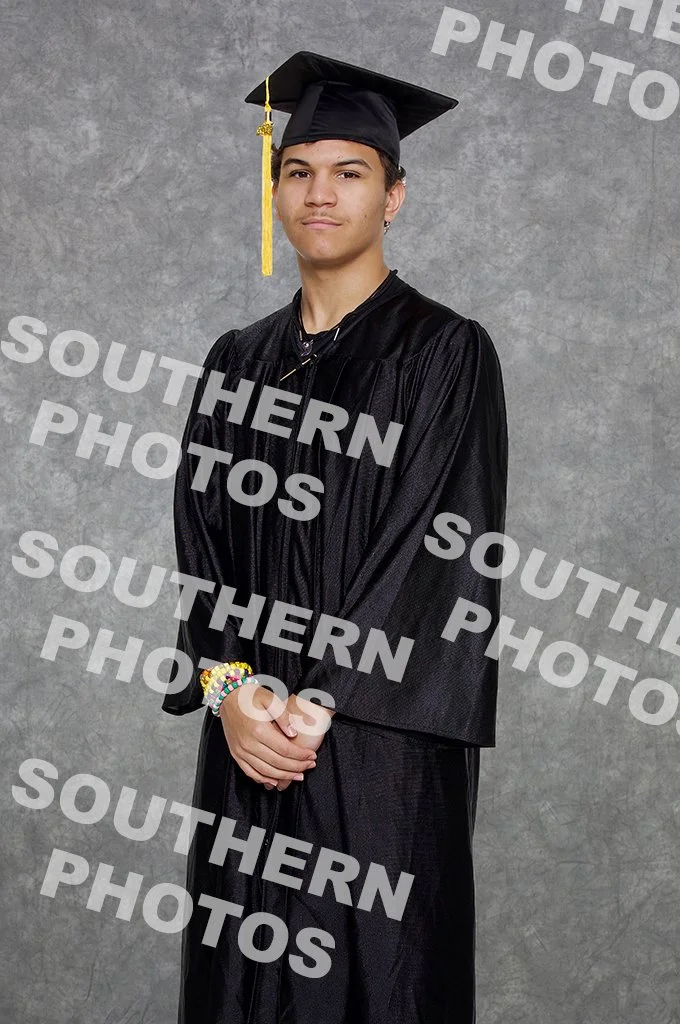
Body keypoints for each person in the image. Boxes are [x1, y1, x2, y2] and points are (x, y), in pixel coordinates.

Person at [162, 50, 508, 1024]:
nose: (320, 192)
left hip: (374, 747)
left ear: (393, 196)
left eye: (349, 171)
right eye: (299, 169)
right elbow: (201, 544)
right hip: (248, 736)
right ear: (275, 192)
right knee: (243, 986)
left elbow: (438, 547)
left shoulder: (443, 351)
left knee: (379, 982)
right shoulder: (236, 361)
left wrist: (313, 706)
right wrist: (229, 692)